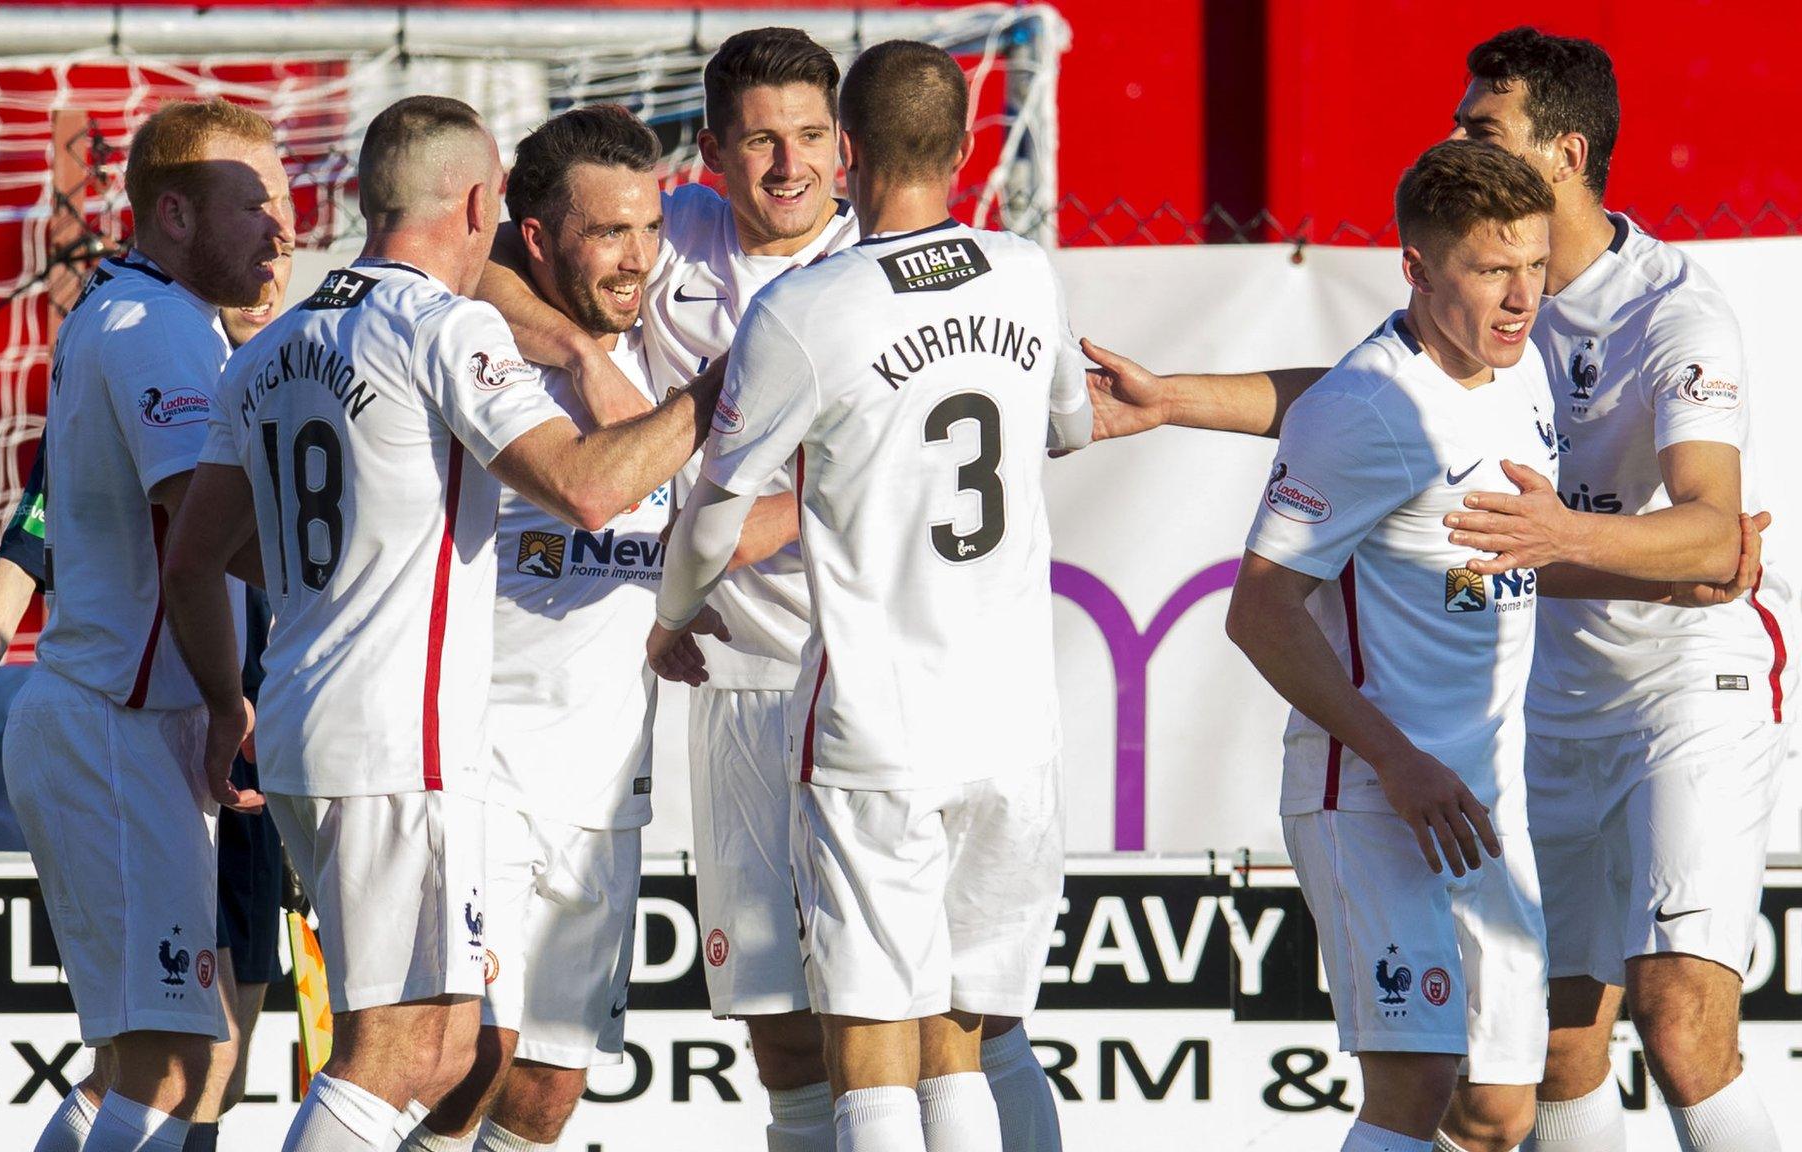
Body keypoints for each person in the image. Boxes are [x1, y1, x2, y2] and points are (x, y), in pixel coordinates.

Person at [1080, 29, 1792, 1152]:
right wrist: (1177, 398)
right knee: (1545, 1057)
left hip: (1679, 686)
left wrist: (1606, 538)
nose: (1451, 137)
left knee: (1674, 1014)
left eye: (1479, 124)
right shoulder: (1480, 284)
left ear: (1562, 153)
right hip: (1534, 713)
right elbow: (1379, 406)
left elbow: (1711, 535)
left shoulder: (1669, 314)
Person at [479, 28, 1065, 1152]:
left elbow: (935, 462)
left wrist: (763, 526)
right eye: (757, 142)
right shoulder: (672, 232)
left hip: (869, 678)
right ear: (707, 153)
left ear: (845, 152)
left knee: (955, 1023)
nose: (786, 167)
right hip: (743, 686)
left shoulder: (874, 273)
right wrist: (584, 353)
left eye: (807, 138)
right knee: (785, 1032)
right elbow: (493, 263)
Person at [157, 95, 725, 1152]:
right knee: (396, 1058)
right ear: (479, 202)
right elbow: (587, 489)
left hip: (299, 728)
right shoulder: (440, 325)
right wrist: (720, 387)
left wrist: (227, 697)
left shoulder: (274, 345)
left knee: (447, 1047)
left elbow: (196, 558)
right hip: (398, 743)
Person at [647, 40, 1089, 1152]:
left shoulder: (809, 308)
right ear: (964, 146)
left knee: (873, 1050)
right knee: (966, 1034)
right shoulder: (1026, 270)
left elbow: (707, 516)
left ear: (845, 151)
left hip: (871, 723)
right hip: (1010, 728)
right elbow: (1067, 427)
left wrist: (665, 620)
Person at [1228, 139, 1560, 1152]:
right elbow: (1259, 610)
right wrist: (1394, 759)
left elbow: (1485, 562)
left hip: (1480, 800)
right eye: (1489, 269)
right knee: (1412, 1082)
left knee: (1497, 1110)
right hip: (1373, 797)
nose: (1519, 298)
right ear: (1414, 268)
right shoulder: (1362, 406)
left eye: (1534, 267)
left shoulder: (1522, 367)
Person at [0, 254, 291, 1152]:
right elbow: (27, 544)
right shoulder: (137, 389)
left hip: (262, 759)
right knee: (176, 1061)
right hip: (174, 742)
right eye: (252, 237)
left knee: (218, 1068)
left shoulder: (297, 385)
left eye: (281, 251)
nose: (267, 268)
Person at [0, 97, 292, 1152]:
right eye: (250, 202)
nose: (280, 224)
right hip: (123, 732)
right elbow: (197, 544)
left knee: (149, 1068)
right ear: (171, 213)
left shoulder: (134, 312)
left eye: (282, 197)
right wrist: (230, 698)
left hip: (115, 725)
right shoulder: (159, 327)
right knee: (177, 1070)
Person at [402, 103, 674, 1152]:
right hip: (484, 772)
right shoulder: (481, 350)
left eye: (647, 229)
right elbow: (457, 277)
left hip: (605, 785)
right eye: (607, 232)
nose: (636, 257)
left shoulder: (666, 335)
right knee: (468, 1064)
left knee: (547, 1096)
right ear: (533, 237)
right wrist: (573, 349)